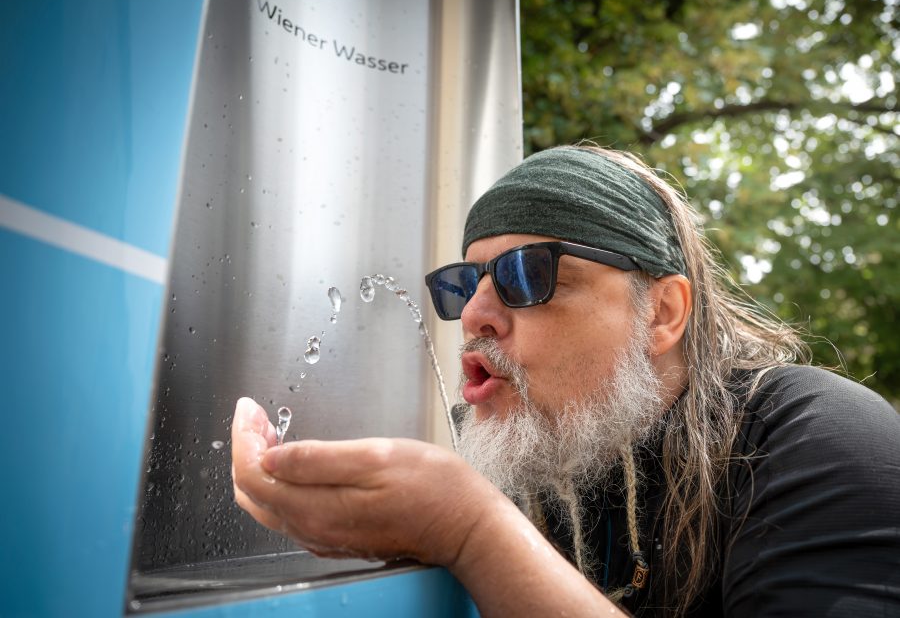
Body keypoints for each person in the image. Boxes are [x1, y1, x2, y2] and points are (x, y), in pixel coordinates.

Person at [231, 145, 900, 617]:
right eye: (464, 284)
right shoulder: (543, 466)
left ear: (662, 313)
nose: (473, 316)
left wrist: (470, 532)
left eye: (529, 275)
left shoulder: (818, 441)